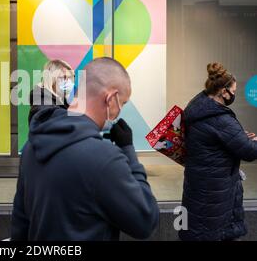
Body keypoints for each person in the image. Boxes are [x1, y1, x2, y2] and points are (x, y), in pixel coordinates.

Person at [11, 57, 159, 241]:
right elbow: (145, 221)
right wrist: (128, 150)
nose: (120, 110)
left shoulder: (32, 146)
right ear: (111, 98)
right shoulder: (105, 159)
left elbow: (20, 223)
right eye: (123, 103)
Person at [179, 62, 257, 241]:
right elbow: (249, 151)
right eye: (233, 91)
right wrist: (251, 141)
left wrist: (238, 136)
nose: (234, 95)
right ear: (224, 91)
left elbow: (214, 138)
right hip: (215, 196)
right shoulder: (220, 119)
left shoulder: (198, 107)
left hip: (199, 187)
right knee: (210, 234)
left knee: (196, 232)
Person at [28, 59, 75, 125]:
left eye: (70, 78)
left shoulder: (63, 102)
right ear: (51, 79)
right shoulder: (43, 106)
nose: (68, 82)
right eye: (63, 78)